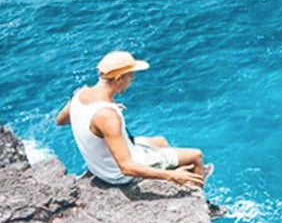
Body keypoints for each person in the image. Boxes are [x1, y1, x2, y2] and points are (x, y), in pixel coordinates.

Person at [56, 50, 208, 188]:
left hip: (99, 165)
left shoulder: (80, 95)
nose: (133, 80)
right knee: (196, 155)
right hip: (116, 175)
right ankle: (199, 197)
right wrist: (172, 176)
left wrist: (102, 119)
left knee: (161, 141)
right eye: (131, 76)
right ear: (118, 79)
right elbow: (126, 167)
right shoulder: (107, 116)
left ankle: (166, 167)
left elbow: (61, 120)